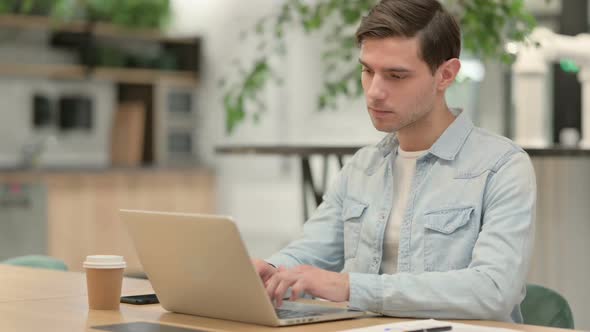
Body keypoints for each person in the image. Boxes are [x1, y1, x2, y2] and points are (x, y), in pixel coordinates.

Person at [252, 0, 536, 323]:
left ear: (446, 75)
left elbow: (493, 291)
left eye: (396, 76)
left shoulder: (502, 167)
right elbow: (312, 250)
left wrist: (349, 287)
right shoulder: (362, 168)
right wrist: (270, 270)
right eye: (367, 70)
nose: (374, 92)